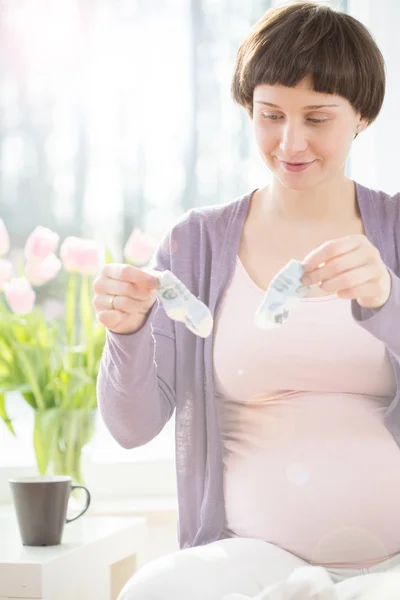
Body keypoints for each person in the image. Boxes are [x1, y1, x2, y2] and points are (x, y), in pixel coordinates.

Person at [92, 2, 400, 599]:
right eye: (271, 115)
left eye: (317, 117)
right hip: (252, 557)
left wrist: (387, 297)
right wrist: (126, 334)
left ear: (361, 115)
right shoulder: (197, 243)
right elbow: (131, 430)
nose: (291, 142)